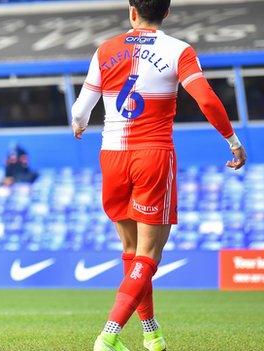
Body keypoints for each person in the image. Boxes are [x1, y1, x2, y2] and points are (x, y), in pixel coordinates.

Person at [70, 1, 247, 350]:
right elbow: (207, 100)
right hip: (152, 155)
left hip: (112, 154)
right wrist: (233, 141)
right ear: (166, 13)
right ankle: (108, 335)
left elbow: (80, 110)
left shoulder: (105, 50)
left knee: (132, 250)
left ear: (132, 11)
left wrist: (79, 125)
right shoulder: (178, 50)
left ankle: (152, 334)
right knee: (149, 255)